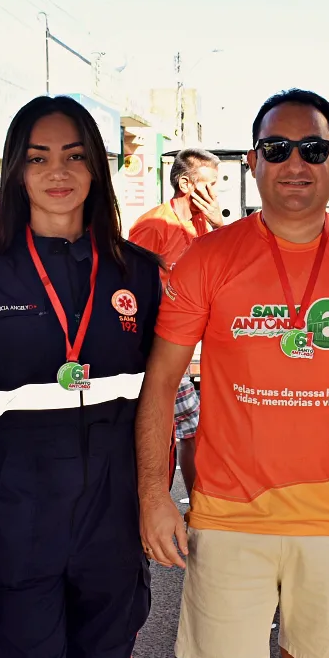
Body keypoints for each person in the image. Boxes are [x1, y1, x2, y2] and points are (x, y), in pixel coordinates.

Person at [136, 89, 329, 658]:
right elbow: (161, 381)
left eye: (313, 149)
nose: (296, 163)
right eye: (277, 149)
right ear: (253, 162)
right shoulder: (208, 257)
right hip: (227, 513)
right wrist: (154, 494)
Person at [0, 96, 158, 658]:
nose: (57, 172)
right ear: (16, 171)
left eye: (74, 156)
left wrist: (156, 502)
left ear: (97, 168)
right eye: (38, 158)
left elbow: (161, 407)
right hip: (17, 530)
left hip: (112, 529)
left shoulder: (140, 274)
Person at [129, 148, 224, 500]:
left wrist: (218, 223)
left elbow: (234, 261)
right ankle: (159, 504)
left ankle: (192, 504)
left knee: (190, 428)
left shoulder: (201, 222)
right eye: (209, 184)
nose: (214, 192)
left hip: (187, 342)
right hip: (159, 343)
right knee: (178, 428)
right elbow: (129, 285)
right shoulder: (154, 225)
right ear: (185, 184)